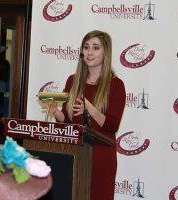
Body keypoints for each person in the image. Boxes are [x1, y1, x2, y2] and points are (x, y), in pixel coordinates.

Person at [48, 30, 126, 200]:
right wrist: (57, 113)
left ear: (106, 52)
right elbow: (69, 122)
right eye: (86, 47)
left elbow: (113, 126)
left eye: (96, 48)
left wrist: (89, 107)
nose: (89, 52)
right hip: (74, 155)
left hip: (100, 158)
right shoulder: (72, 80)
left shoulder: (116, 85)